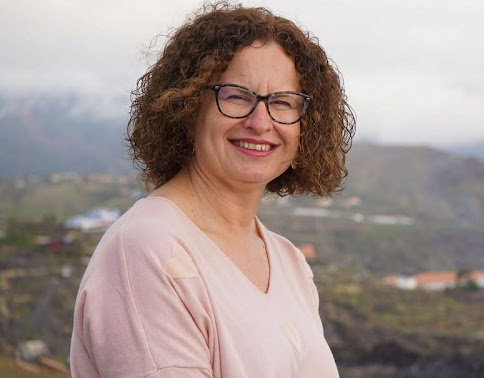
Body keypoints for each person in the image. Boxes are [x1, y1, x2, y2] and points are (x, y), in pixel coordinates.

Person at [69, 2, 355, 377]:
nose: (260, 122)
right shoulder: (148, 250)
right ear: (187, 106)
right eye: (237, 95)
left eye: (283, 103)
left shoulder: (290, 263)